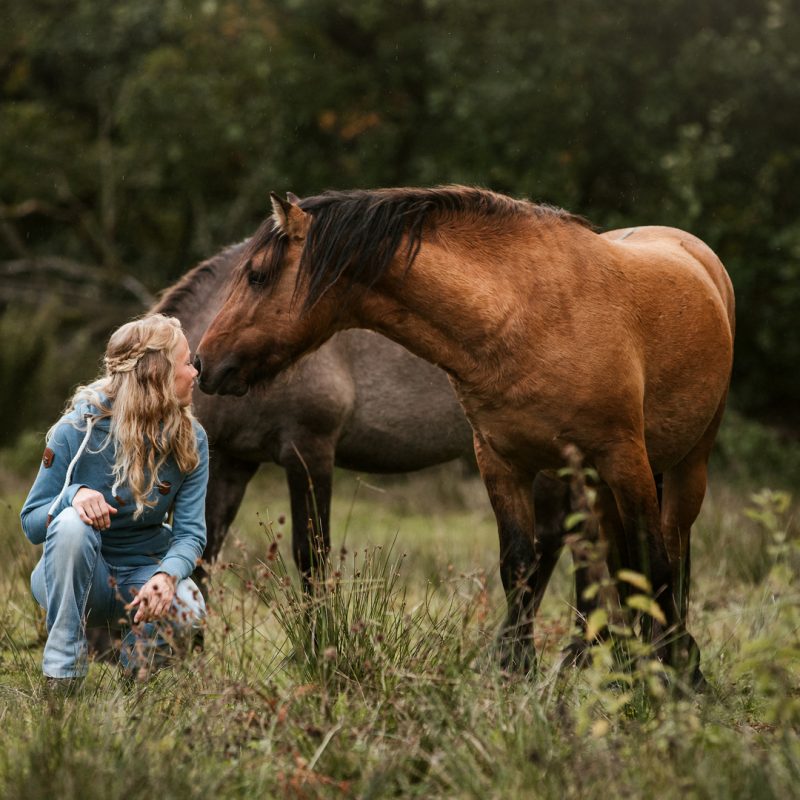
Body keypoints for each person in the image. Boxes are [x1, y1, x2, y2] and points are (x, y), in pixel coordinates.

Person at [20, 313, 209, 690]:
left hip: (141, 577)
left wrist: (166, 576)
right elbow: (31, 522)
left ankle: (137, 675)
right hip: (79, 577)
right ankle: (63, 673)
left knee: (190, 607)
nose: (195, 372)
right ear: (157, 376)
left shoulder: (192, 439)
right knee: (73, 522)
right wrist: (73, 496)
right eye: (187, 362)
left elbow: (190, 534)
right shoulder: (75, 429)